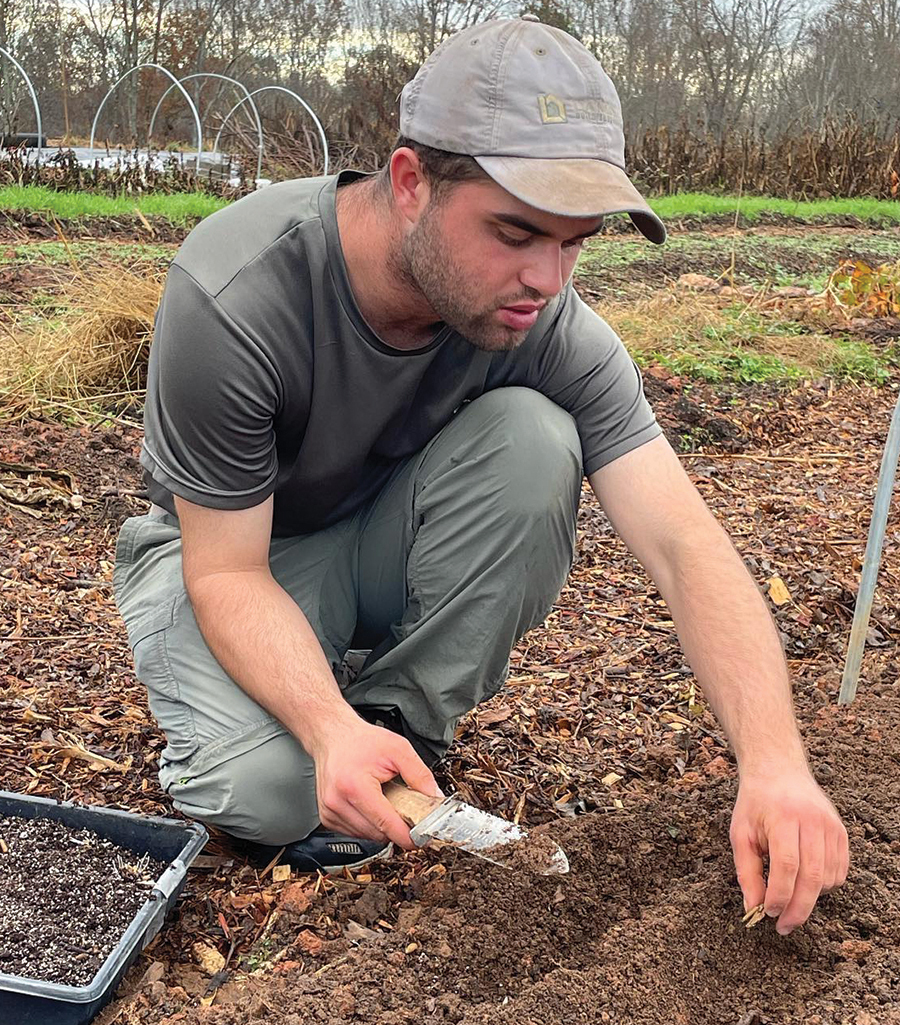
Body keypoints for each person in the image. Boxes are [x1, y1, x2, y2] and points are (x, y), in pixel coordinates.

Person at [114, 16, 848, 935]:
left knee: (537, 441)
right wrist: (324, 731)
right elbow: (226, 572)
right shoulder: (240, 294)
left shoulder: (546, 323)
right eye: (514, 232)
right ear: (413, 182)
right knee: (267, 790)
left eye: (575, 242)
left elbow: (683, 540)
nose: (545, 277)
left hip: (372, 531)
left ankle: (399, 717)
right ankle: (338, 724)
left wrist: (774, 759)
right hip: (229, 555)